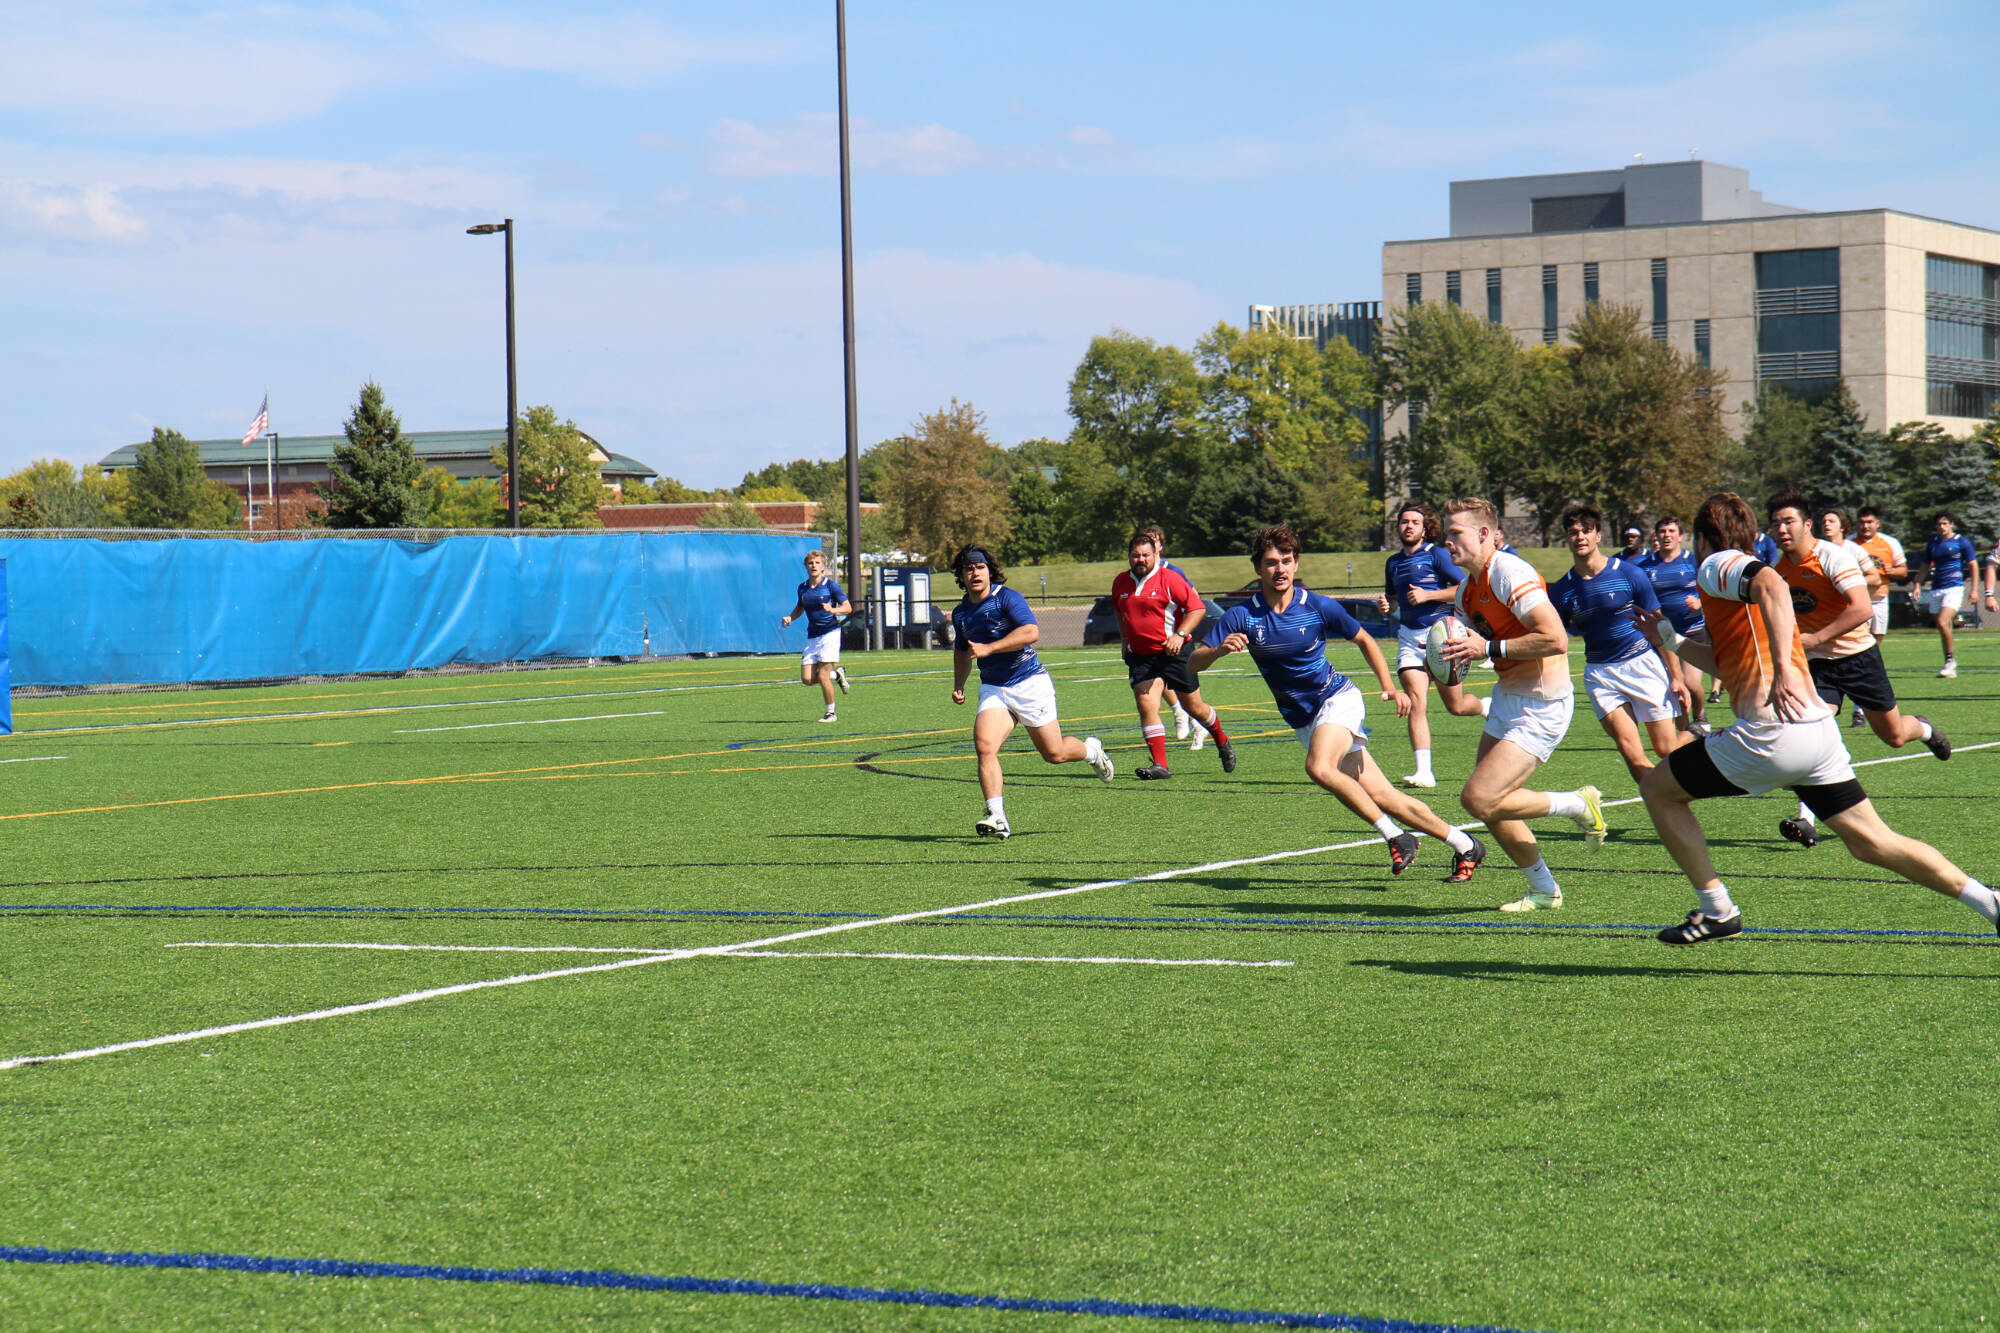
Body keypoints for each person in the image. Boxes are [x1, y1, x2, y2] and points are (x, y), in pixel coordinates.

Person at [1631, 492, 1998, 945]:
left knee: (1658, 789)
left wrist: (1786, 666)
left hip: (1772, 734)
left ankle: (1717, 910)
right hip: (1815, 733)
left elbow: (1773, 586)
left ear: (1704, 537)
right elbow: (1731, 666)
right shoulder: (1737, 579)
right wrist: (1669, 639)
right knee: (1871, 842)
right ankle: (1989, 902)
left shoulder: (1718, 564)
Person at [1193, 524, 1487, 880]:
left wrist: (1389, 687)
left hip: (1337, 699)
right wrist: (1219, 651)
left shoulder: (1315, 605)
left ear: (1296, 564)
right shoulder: (1242, 615)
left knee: (1319, 768)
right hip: (1304, 719)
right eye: (1271, 562)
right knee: (1384, 795)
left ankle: (1396, 837)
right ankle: (1465, 844)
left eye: (1286, 560)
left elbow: (1365, 639)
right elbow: (1192, 663)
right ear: (1258, 569)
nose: (1280, 569)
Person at [1434, 498, 1607, 913]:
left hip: (1542, 702)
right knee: (1493, 806)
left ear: (1483, 534)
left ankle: (1578, 804)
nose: (1447, 541)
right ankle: (1545, 890)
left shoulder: (1510, 572)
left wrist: (1487, 647)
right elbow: (1467, 646)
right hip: (1509, 697)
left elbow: (1555, 638)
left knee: (1479, 798)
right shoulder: (1466, 589)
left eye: (1455, 533)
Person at [1764, 494, 1951, 849]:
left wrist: (1815, 637)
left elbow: (1863, 608)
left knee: (1894, 736)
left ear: (1807, 524)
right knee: (1810, 729)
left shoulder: (1832, 557)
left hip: (1858, 658)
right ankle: (1806, 819)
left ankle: (1924, 729)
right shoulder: (1779, 567)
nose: (1781, 528)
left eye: (1788, 521)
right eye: (1775, 523)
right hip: (1816, 665)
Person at [949, 546, 1114, 839]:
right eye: (969, 568)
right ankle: (997, 815)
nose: (975, 573)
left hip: (1029, 682)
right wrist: (959, 684)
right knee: (984, 745)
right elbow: (962, 651)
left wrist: (990, 648)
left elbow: (1030, 632)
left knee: (1054, 753)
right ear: (961, 575)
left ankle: (1091, 751)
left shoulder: (1006, 598)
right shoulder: (962, 613)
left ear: (990, 570)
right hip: (995, 688)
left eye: (980, 567)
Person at [1550, 505, 1688, 783]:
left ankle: (1697, 735)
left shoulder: (1628, 574)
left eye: (1586, 531)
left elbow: (1660, 627)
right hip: (1601, 674)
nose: (1580, 537)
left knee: (1665, 748)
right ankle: (1660, 803)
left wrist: (1677, 677)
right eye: (1573, 532)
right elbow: (1553, 635)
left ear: (1598, 535)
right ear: (1566, 538)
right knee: (1629, 750)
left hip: (1642, 664)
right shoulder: (1562, 590)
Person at [1376, 501, 1488, 789]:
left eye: (1415, 522)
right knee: (1416, 703)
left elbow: (1465, 589)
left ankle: (1486, 706)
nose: (1408, 526)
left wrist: (1429, 596)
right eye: (1404, 522)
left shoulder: (1437, 555)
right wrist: (1387, 606)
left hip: (1442, 635)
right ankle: (1424, 771)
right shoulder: (1392, 562)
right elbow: (1394, 600)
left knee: (1457, 707)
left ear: (1426, 529)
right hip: (1409, 639)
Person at [1111, 528, 1235, 778]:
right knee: (1146, 704)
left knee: (1194, 707)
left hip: (1175, 653)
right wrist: (1125, 638)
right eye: (1136, 555)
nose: (1141, 560)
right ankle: (1161, 765)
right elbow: (1119, 610)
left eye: (1145, 555)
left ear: (1154, 555)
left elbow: (1197, 608)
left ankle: (1222, 740)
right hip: (1141, 656)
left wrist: (1179, 635)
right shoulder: (1120, 582)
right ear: (1129, 556)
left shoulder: (1170, 578)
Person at [1638, 516, 1713, 737]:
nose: (1666, 535)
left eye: (1671, 531)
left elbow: (1712, 589)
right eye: (1662, 531)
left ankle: (1700, 716)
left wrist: (1700, 602)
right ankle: (1684, 730)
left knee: (1690, 682)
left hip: (1692, 630)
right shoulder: (1646, 567)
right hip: (1662, 636)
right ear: (1656, 536)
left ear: (1680, 536)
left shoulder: (1693, 561)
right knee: (1674, 685)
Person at [1139, 524, 1203, 752]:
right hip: (1153, 645)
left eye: (1154, 541)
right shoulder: (1137, 574)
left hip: (1177, 641)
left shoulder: (1173, 571)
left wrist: (1180, 632)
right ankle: (1178, 712)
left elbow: (1194, 601)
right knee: (1158, 681)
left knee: (1190, 697)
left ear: (1160, 547)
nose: (1150, 544)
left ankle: (1198, 725)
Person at [1821, 508, 1884, 727]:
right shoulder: (1816, 551)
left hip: (1852, 618)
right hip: (1826, 618)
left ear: (1842, 526)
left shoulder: (1852, 549)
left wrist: (1847, 583)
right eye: (1824, 521)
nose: (1826, 524)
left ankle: (1860, 708)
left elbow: (1874, 577)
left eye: (1831, 520)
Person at [779, 549, 851, 722]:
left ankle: (831, 713)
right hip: (813, 636)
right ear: (806, 566)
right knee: (807, 679)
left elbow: (848, 608)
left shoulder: (831, 586)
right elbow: (800, 607)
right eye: (811, 563)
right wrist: (790, 617)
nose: (814, 566)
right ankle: (838, 675)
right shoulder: (803, 588)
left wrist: (833, 610)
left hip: (830, 634)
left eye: (817, 563)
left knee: (823, 676)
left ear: (823, 566)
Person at [1910, 511, 1978, 677]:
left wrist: (1975, 589)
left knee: (1942, 621)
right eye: (1939, 524)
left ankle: (1949, 661)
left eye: (1945, 523)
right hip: (1936, 588)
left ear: (1951, 525)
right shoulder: (1933, 543)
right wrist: (1917, 584)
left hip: (1954, 588)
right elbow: (1925, 565)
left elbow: (1973, 565)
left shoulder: (1961, 542)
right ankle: (1950, 663)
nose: (1942, 527)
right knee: (1943, 626)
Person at [1855, 506, 1908, 643]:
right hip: (1855, 600)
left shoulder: (1890, 543)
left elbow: (1903, 571)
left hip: (1879, 599)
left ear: (1877, 523)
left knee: (1876, 639)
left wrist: (1893, 571)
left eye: (1869, 522)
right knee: (1857, 639)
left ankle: (1874, 665)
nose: (1865, 526)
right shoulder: (1849, 543)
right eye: (1862, 522)